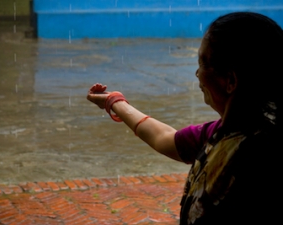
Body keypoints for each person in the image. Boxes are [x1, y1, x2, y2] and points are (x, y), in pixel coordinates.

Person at [87, 12, 283, 225]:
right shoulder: (224, 133)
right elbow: (164, 138)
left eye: (203, 63)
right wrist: (114, 102)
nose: (197, 73)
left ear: (230, 81)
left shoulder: (258, 155)